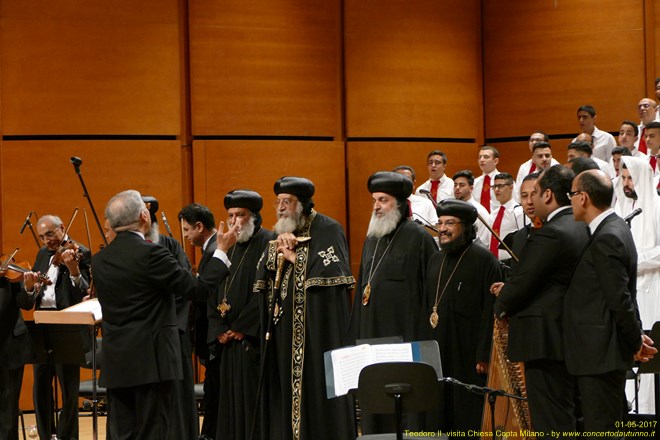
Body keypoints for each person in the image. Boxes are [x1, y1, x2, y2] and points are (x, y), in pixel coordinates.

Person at [92, 190, 236, 439]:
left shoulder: (100, 260)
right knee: (153, 431)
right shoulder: (152, 254)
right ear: (144, 215)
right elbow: (197, 289)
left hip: (117, 362)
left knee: (121, 432)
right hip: (152, 362)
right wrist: (221, 251)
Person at [253, 177, 355, 440]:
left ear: (303, 205)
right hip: (283, 331)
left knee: (313, 392)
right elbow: (263, 275)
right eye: (278, 202)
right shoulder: (280, 232)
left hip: (315, 332)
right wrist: (278, 254)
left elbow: (332, 277)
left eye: (287, 202)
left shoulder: (328, 228)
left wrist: (294, 258)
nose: (281, 207)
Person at [493, 165, 589, 435]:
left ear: (548, 195)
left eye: (534, 193)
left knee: (550, 421)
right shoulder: (583, 225)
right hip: (571, 334)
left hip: (545, 340)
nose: (531, 201)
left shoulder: (551, 232)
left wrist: (500, 306)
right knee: (567, 415)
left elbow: (522, 282)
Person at [565, 170, 654, 434]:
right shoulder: (614, 228)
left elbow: (620, 298)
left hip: (600, 357)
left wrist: (635, 340)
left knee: (601, 430)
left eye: (572, 194)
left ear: (583, 198)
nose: (570, 201)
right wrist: (635, 334)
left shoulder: (608, 236)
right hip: (601, 355)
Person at [349, 171, 438, 434]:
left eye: (383, 200)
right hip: (371, 340)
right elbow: (362, 289)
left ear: (399, 204)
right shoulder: (371, 240)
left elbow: (430, 295)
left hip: (405, 342)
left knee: (408, 418)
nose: (376, 206)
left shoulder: (419, 238)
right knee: (375, 412)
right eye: (374, 200)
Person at [421, 199, 501, 433]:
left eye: (450, 223)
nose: (442, 228)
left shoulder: (485, 261)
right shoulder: (436, 259)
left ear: (465, 227)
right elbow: (428, 305)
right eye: (440, 222)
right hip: (438, 350)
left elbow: (491, 311)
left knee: (466, 414)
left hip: (468, 355)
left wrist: (484, 354)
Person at [21, 215, 91, 440]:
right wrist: (30, 287)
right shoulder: (43, 254)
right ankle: (45, 434)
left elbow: (86, 292)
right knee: (40, 384)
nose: (46, 241)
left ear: (62, 228)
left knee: (68, 386)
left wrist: (74, 270)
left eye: (50, 234)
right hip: (42, 321)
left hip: (67, 323)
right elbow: (34, 293)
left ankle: (67, 436)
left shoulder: (82, 252)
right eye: (42, 237)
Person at [211, 190, 275, 440]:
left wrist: (242, 327)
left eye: (241, 215)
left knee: (252, 405)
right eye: (231, 215)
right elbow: (210, 289)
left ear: (254, 217)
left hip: (252, 342)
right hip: (227, 342)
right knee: (229, 405)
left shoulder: (269, 241)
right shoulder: (225, 245)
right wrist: (218, 328)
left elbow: (269, 291)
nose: (235, 221)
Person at [143, 195, 198, 440]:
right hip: (143, 335)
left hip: (174, 329)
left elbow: (185, 286)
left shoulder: (171, 246)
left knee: (177, 392)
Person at [614, 156, 660, 414]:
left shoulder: (657, 206)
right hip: (628, 290)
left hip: (653, 288)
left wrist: (636, 261)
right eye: (623, 178)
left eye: (631, 178)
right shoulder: (622, 212)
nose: (627, 183)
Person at [178, 202, 223, 440]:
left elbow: (212, 295)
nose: (185, 236)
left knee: (215, 394)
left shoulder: (215, 250)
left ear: (199, 226)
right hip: (211, 336)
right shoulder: (211, 249)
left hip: (215, 335)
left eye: (187, 230)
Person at [0, 271, 33, 440]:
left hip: (10, 349)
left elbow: (25, 303)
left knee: (7, 408)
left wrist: (28, 287)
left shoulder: (9, 276)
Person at [486, 172, 524, 261]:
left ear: (511, 187)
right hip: (493, 262)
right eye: (494, 186)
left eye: (500, 186)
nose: (496, 190)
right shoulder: (493, 214)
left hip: (510, 262)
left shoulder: (518, 212)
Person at [393, 165, 438, 230]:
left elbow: (435, 229)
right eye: (398, 179)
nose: (402, 183)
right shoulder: (384, 204)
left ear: (413, 184)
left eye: (407, 179)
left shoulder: (426, 203)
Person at [452, 169, 490, 245]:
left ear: (471, 188)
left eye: (461, 185)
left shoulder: (479, 211)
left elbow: (483, 241)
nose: (457, 188)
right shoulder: (452, 209)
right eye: (455, 185)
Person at [473, 146, 501, 213]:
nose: (482, 160)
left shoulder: (505, 180)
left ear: (495, 161)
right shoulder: (474, 183)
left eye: (486, 157)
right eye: (480, 157)